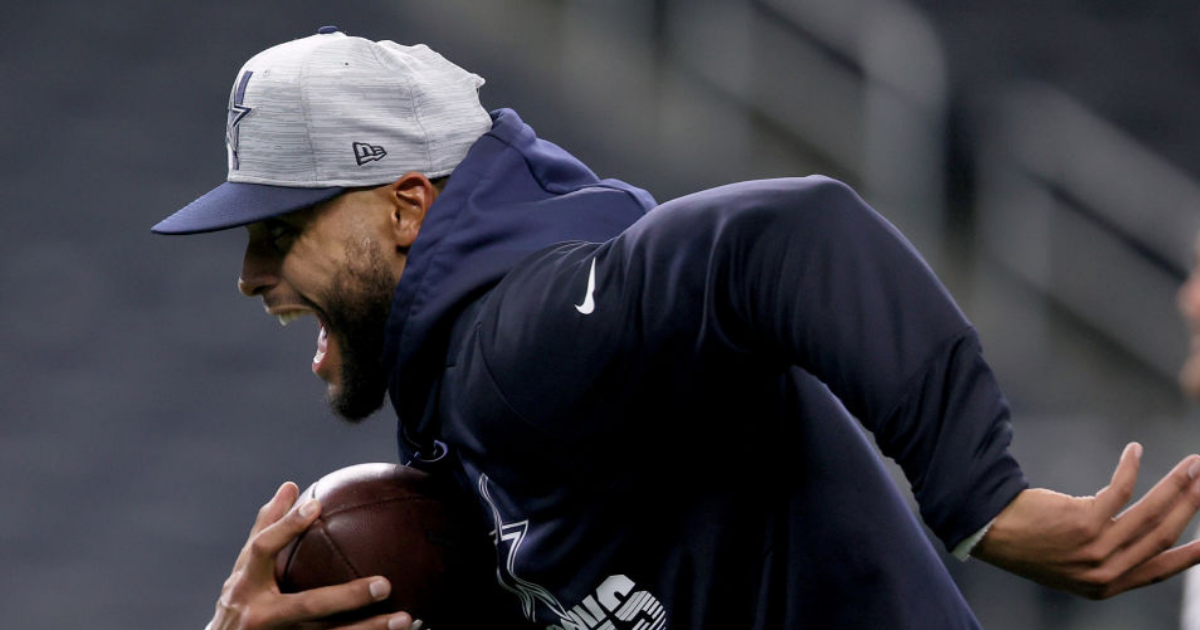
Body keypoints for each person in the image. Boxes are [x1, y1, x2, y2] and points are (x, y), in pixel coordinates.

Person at [156, 28, 1200, 630]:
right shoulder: (476, 422)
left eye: (282, 230)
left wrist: (984, 504)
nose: (253, 275)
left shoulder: (517, 347)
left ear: (410, 207)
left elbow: (790, 231)